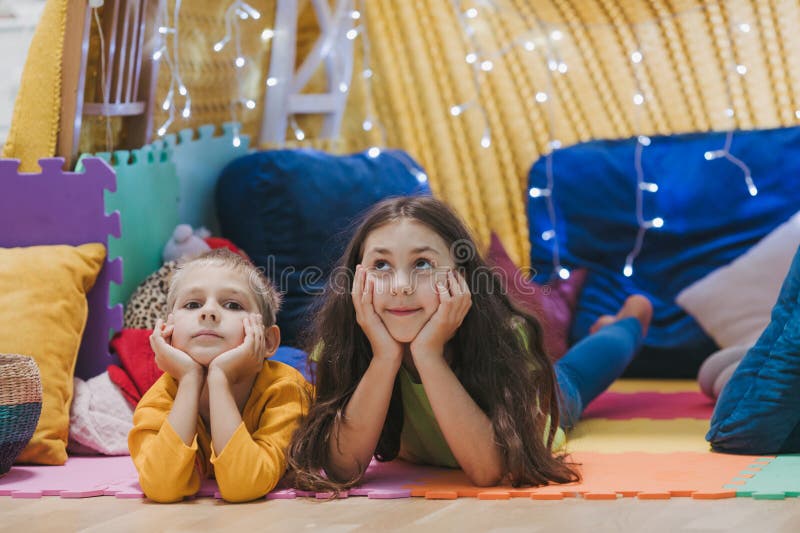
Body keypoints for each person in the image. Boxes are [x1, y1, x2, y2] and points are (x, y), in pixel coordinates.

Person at [288, 196, 652, 491]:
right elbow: (341, 467)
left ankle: (630, 320)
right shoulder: (345, 345)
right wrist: (385, 357)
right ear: (356, 280)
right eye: (381, 265)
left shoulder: (507, 339)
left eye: (423, 264)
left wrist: (429, 354)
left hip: (544, 395)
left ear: (461, 280)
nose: (400, 286)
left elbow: (487, 471)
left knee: (576, 373)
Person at [129, 249, 310, 503]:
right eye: (193, 304)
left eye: (233, 305)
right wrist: (190, 378)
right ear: (167, 330)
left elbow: (244, 485)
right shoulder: (160, 398)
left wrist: (219, 378)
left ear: (268, 339)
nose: (208, 313)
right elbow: (161, 487)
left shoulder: (286, 391)